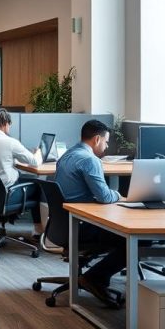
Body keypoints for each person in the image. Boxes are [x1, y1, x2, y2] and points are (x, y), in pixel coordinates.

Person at [53, 119, 123, 306]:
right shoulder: (89, 160)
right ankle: (95, 278)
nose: (107, 146)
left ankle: (93, 277)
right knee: (130, 241)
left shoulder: (68, 155)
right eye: (106, 142)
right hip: (81, 225)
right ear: (97, 139)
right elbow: (105, 197)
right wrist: (121, 196)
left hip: (64, 225)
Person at [0, 109, 45, 237]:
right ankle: (38, 230)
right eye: (9, 124)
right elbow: (35, 162)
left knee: (25, 179)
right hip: (7, 193)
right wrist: (39, 152)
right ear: (5, 123)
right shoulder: (10, 142)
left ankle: (13, 218)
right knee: (38, 185)